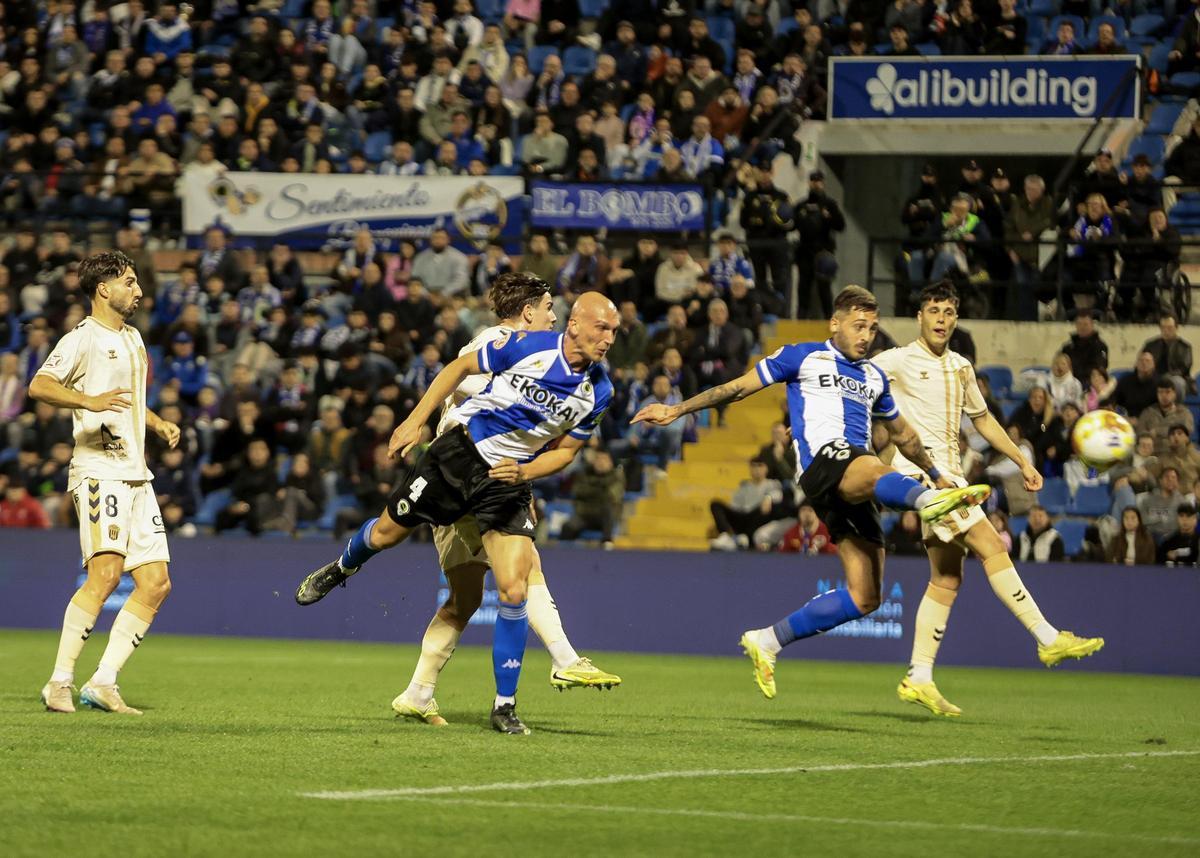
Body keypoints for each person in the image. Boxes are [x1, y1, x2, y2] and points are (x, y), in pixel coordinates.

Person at [633, 285, 991, 700]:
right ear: (835, 324)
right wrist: (677, 409)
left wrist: (935, 472)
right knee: (873, 466)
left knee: (865, 596)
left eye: (872, 328)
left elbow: (904, 435)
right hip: (825, 464)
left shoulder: (874, 376)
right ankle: (927, 502)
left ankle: (767, 640)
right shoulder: (801, 356)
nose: (866, 335)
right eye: (859, 326)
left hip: (854, 481)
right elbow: (738, 388)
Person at [295, 290, 620, 735]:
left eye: (615, 332)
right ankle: (341, 567)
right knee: (387, 534)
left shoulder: (599, 391)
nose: (608, 339)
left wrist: (524, 470)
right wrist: (415, 421)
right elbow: (459, 368)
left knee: (512, 588)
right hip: (457, 458)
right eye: (602, 328)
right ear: (576, 323)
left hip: (504, 484)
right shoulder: (525, 344)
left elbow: (565, 454)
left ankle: (505, 705)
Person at [873, 282, 1103, 716]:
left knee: (946, 579)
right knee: (993, 545)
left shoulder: (961, 366)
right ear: (920, 317)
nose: (941, 318)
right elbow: (854, 381)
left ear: (956, 320)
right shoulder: (896, 360)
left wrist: (1022, 461)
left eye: (948, 312)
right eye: (934, 310)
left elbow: (983, 422)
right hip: (926, 480)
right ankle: (1047, 637)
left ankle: (918, 676)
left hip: (951, 477)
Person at [29, 251, 181, 716]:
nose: (138, 291)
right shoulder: (83, 338)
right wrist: (87, 399)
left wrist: (154, 422)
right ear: (104, 289)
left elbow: (129, 403)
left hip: (137, 474)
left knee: (156, 583)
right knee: (106, 574)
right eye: (130, 282)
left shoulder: (133, 338)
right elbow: (40, 385)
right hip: (99, 471)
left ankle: (104, 682)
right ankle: (58, 683)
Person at [709, 458, 785, 551]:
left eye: (760, 466)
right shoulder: (744, 486)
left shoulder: (772, 484)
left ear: (766, 469)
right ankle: (728, 536)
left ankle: (744, 539)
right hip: (742, 516)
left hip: (758, 518)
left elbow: (779, 495)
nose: (757, 469)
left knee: (767, 509)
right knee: (715, 505)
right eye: (753, 466)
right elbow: (734, 506)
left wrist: (768, 498)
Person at [1139, 378, 1195, 455]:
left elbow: (1185, 433)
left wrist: (1157, 431)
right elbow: (1140, 434)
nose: (1164, 396)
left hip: (1175, 455)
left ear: (1174, 394)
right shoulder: (1147, 413)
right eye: (1160, 392)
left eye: (1168, 392)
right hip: (1152, 455)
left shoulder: (1184, 413)